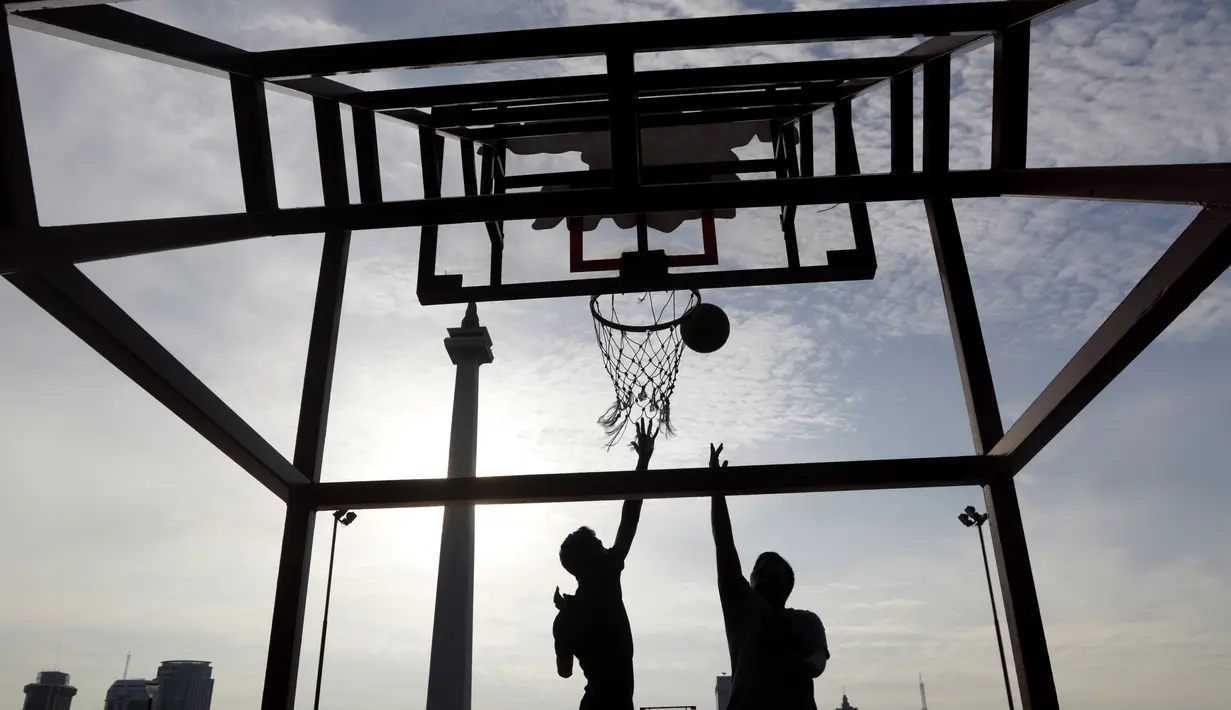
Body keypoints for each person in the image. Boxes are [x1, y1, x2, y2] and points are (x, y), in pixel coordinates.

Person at [709, 442, 830, 710]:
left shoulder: (806, 620)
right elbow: (724, 545)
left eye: (770, 567)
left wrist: (804, 665)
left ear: (787, 584)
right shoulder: (743, 606)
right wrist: (717, 489)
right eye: (761, 567)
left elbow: (818, 660)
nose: (765, 570)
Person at [552, 419, 658, 710]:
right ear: (591, 561)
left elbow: (565, 671)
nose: (607, 547)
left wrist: (568, 618)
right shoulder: (607, 578)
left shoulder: (567, 618)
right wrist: (643, 462)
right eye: (600, 546)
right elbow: (630, 517)